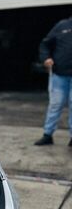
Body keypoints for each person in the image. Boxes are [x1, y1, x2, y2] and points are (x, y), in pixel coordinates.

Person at [35, 16, 72, 146]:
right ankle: (47, 135)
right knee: (55, 105)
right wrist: (45, 58)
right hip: (59, 74)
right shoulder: (62, 25)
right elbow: (45, 44)